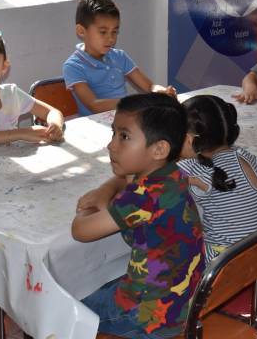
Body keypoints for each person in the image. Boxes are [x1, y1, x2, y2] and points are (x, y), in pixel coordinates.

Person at [72, 93, 204, 338]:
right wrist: (104, 191)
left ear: (159, 149)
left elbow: (80, 231)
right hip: (187, 301)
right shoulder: (173, 173)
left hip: (147, 315)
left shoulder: (141, 197)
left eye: (124, 136)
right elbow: (124, 179)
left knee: (68, 302)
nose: (111, 145)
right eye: (113, 134)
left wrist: (87, 208)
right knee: (99, 282)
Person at [178, 95, 257, 262]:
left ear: (189, 139)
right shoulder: (243, 154)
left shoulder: (194, 168)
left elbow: (152, 178)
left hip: (224, 263)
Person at [63, 0, 177, 116]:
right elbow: (94, 105)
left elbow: (149, 86)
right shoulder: (73, 66)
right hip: (95, 127)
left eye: (115, 32)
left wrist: (161, 92)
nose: (111, 38)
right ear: (81, 31)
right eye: (103, 32)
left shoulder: (119, 56)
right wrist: (135, 103)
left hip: (125, 119)